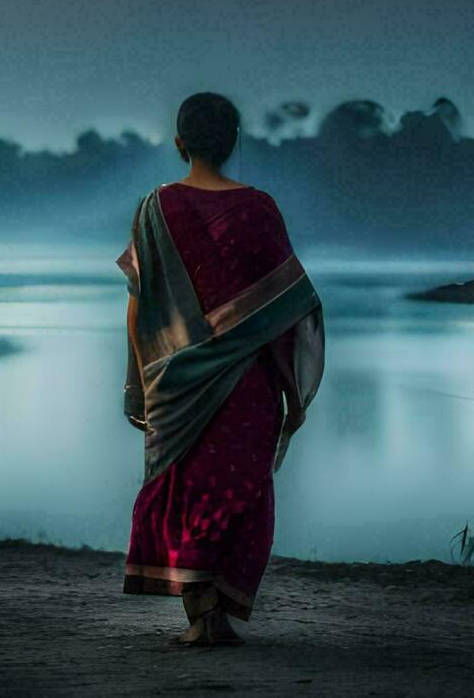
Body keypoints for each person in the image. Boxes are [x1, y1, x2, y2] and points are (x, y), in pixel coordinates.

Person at [117, 92, 325, 646]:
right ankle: (213, 616)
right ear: (234, 143)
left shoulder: (153, 210)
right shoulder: (259, 208)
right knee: (235, 495)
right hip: (248, 385)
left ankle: (203, 615)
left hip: (174, 383)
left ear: (179, 143)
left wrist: (138, 383)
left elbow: (139, 305)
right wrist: (293, 387)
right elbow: (290, 306)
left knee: (186, 493)